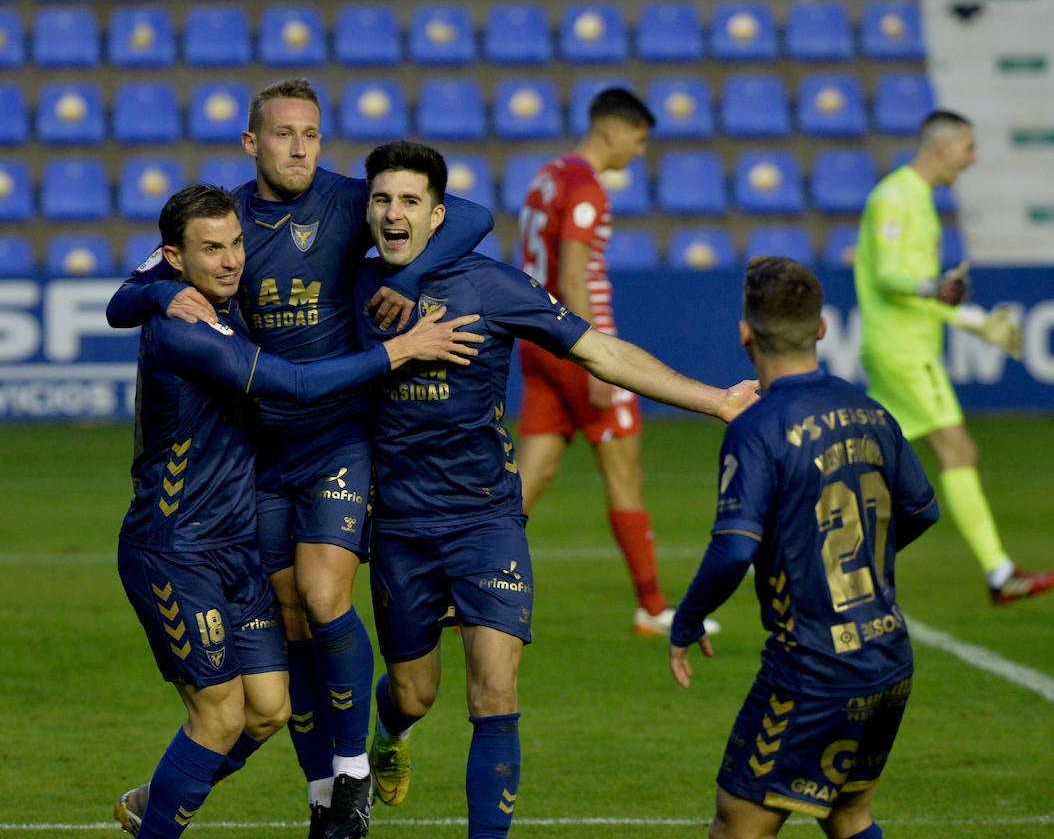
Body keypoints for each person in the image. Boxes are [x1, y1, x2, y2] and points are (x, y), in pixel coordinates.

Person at [108, 79, 493, 839]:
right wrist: (158, 296)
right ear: (251, 143)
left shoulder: (348, 202)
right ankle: (323, 799)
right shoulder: (223, 222)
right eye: (282, 134)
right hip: (256, 452)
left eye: (311, 134)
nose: (298, 148)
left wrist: (409, 280)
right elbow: (123, 299)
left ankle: (352, 774)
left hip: (335, 434)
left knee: (323, 599)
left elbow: (473, 215)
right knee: (284, 641)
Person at [353, 141, 759, 838]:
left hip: (486, 518)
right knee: (416, 693)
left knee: (496, 687)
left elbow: (602, 351)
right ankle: (390, 735)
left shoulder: (491, 286)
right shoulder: (349, 288)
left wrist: (716, 400)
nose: (394, 213)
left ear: (437, 215)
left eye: (410, 201)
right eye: (383, 200)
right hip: (398, 527)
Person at [670, 256, 941, 839]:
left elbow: (733, 550)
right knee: (847, 814)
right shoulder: (871, 411)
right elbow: (922, 509)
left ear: (745, 332)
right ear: (821, 329)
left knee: (735, 824)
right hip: (889, 657)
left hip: (813, 668)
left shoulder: (758, 427)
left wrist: (686, 620)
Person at [515, 87, 717, 637]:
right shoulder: (586, 188)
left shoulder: (547, 176)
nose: (639, 150)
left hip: (536, 339)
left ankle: (466, 586)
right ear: (612, 132)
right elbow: (576, 276)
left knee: (532, 473)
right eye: (639, 138)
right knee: (625, 470)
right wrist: (595, 360)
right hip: (578, 345)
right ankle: (652, 608)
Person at [854, 109, 1053, 604]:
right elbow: (886, 278)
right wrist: (938, 290)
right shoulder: (895, 197)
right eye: (968, 147)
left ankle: (818, 551)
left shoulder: (915, 198)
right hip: (904, 351)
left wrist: (971, 320)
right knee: (958, 450)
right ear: (943, 148)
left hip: (903, 345)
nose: (973, 158)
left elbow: (921, 293)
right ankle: (998, 571)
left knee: (869, 462)